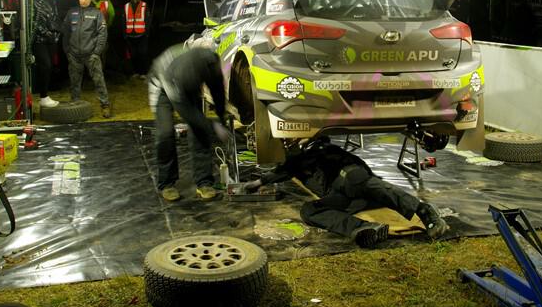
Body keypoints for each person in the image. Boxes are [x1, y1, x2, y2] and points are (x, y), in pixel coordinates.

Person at [243, 138, 447, 247]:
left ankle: (424, 212)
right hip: (349, 197)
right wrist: (260, 182)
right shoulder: (297, 161)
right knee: (309, 210)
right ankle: (365, 228)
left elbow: (283, 169)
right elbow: (283, 170)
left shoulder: (321, 150)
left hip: (351, 183)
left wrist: (258, 182)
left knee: (357, 180)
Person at [148, 44, 230, 202]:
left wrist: (222, 118)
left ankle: (204, 182)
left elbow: (217, 90)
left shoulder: (210, 62)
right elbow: (188, 114)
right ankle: (166, 183)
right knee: (165, 133)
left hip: (188, 85)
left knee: (200, 132)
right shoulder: (177, 75)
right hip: (162, 86)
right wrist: (213, 126)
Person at [62, 0, 112, 118]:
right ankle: (76, 106)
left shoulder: (97, 13)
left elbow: (103, 33)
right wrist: (67, 50)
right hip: (74, 55)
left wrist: (97, 52)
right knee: (74, 82)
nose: (83, 0)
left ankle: (105, 105)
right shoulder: (71, 12)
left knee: (99, 80)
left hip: (91, 55)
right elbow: (65, 32)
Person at [31, 0, 60, 108]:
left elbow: (55, 18)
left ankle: (45, 95)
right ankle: (43, 96)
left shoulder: (52, 1)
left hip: (51, 39)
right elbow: (33, 22)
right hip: (39, 40)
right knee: (45, 65)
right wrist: (46, 34)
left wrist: (56, 33)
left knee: (49, 67)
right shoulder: (33, 1)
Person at [123, 0, 150, 79]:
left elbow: (148, 20)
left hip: (142, 35)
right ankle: (135, 72)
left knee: (142, 54)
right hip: (130, 36)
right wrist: (124, 34)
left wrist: (147, 34)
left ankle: (143, 73)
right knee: (133, 55)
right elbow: (123, 22)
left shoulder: (144, 5)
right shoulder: (126, 6)